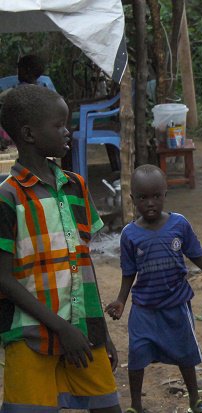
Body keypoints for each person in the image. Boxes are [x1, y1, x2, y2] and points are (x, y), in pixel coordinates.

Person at [0, 85, 121, 412]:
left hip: (84, 329)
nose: (68, 131)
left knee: (107, 405)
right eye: (59, 125)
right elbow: (4, 278)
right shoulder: (7, 197)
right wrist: (61, 328)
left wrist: (102, 331)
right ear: (28, 134)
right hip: (29, 336)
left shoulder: (76, 186)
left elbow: (84, 263)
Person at [105, 164, 202, 413]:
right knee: (137, 353)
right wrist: (121, 300)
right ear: (133, 199)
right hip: (144, 307)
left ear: (165, 195)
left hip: (177, 304)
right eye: (143, 198)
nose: (150, 203)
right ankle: (135, 405)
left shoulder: (179, 224)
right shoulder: (129, 234)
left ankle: (195, 400)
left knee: (185, 352)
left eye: (156, 196)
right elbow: (128, 271)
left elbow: (196, 255)